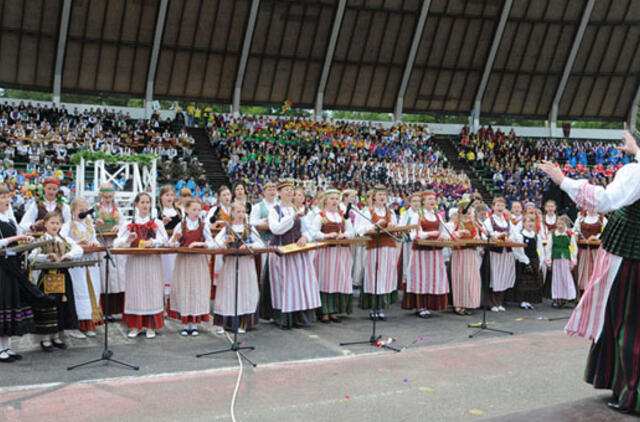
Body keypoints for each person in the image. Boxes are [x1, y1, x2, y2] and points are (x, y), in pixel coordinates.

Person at [539, 133, 640, 413]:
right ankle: (623, 384)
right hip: (630, 251)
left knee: (627, 321)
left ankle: (633, 392)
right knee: (624, 319)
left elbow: (606, 199)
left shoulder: (635, 172)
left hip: (632, 256)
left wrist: (563, 181)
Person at [114, 193, 168, 339]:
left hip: (152, 261)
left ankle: (150, 326)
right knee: (136, 291)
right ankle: (136, 326)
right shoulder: (128, 223)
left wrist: (153, 242)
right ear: (136, 204)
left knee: (152, 290)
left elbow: (165, 239)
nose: (145, 205)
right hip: (135, 261)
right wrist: (128, 239)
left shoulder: (157, 223)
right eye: (142, 202)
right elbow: (116, 243)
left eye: (147, 202)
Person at [268, 180, 320, 329]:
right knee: (283, 284)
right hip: (281, 250)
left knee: (298, 284)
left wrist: (305, 237)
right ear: (279, 193)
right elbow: (276, 229)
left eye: (291, 190)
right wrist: (292, 217)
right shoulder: (275, 210)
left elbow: (306, 229)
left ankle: (298, 316)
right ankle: (283, 318)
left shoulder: (295, 209)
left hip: (296, 251)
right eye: (286, 190)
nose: (289, 192)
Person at [28, 212, 82, 352]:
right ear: (45, 224)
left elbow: (79, 249)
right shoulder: (41, 240)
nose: (55, 226)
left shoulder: (64, 240)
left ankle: (57, 336)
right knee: (48, 307)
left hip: (62, 277)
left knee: (61, 305)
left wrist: (66, 255)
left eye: (57, 223)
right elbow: (32, 256)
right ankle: (46, 339)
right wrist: (46, 257)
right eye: (52, 223)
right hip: (47, 277)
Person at [213, 201, 264, 333]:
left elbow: (261, 244)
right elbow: (216, 244)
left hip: (246, 263)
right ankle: (225, 322)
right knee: (229, 291)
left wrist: (251, 246)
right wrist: (225, 242)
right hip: (231, 263)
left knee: (245, 291)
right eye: (238, 212)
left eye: (243, 212)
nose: (241, 215)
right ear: (232, 213)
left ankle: (243, 322)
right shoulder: (227, 229)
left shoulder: (250, 229)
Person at [168, 199, 215, 336]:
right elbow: (171, 245)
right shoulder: (180, 225)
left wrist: (201, 245)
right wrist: (175, 239)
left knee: (196, 289)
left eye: (199, 210)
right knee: (184, 289)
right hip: (184, 260)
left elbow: (212, 243)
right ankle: (184, 323)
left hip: (198, 261)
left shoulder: (203, 225)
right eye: (194, 210)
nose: (196, 212)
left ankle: (194, 323)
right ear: (187, 210)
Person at [0, 185, 36, 362]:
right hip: (1, 267)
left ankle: (6, 347)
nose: (6, 200)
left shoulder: (9, 217)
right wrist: (16, 239)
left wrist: (26, 237)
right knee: (2, 304)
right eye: (2, 197)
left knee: (9, 303)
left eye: (7, 197)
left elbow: (19, 234)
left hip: (11, 266)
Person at [355, 185, 399, 320]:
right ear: (373, 197)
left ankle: (381, 307)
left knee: (386, 277)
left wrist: (394, 227)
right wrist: (374, 226)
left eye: (384, 195)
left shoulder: (390, 212)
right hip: (374, 247)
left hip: (389, 247)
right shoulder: (367, 211)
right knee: (375, 276)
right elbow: (360, 229)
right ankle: (374, 307)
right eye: (379, 195)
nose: (382, 197)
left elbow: (397, 229)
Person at [61, 198, 103, 338]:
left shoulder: (89, 225)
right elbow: (61, 240)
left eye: (85, 210)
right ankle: (76, 325)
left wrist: (94, 242)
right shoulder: (68, 225)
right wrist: (77, 243)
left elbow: (94, 237)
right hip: (76, 264)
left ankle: (89, 323)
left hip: (89, 262)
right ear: (73, 211)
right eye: (80, 210)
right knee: (79, 290)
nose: (83, 213)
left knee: (91, 289)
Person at [311, 189, 355, 323]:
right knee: (325, 280)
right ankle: (324, 311)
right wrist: (326, 235)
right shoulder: (320, 216)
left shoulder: (343, 216)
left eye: (336, 199)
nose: (334, 201)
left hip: (341, 253)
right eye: (331, 199)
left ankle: (334, 310)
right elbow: (313, 233)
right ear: (325, 201)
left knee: (339, 279)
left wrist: (345, 235)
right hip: (326, 253)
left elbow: (351, 231)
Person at [404, 190, 450, 318]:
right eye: (429, 199)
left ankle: (430, 304)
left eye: (433, 199)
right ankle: (420, 306)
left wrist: (442, 236)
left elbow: (444, 231)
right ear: (423, 201)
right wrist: (429, 234)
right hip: (421, 251)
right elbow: (413, 234)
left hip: (435, 251)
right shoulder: (417, 215)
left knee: (432, 277)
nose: (432, 202)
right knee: (420, 277)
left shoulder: (438, 216)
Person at [93, 183, 125, 319]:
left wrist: (119, 226)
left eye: (110, 196)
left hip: (114, 243)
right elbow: (89, 225)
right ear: (101, 196)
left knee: (117, 276)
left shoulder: (117, 209)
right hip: (101, 243)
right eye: (105, 196)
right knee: (104, 275)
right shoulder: (95, 209)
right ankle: (105, 310)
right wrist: (96, 226)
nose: (107, 199)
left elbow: (125, 223)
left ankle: (117, 309)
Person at [249, 181, 278, 320]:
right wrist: (264, 221)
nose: (272, 191)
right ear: (264, 192)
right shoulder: (258, 206)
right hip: (264, 242)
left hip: (277, 243)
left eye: (274, 189)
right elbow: (251, 223)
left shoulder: (279, 206)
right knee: (263, 275)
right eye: (269, 189)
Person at [450, 199, 482, 316]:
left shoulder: (474, 223)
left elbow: (477, 235)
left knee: (470, 278)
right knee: (460, 278)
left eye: (470, 210)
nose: (469, 212)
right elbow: (451, 235)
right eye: (467, 209)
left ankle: (468, 303)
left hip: (471, 252)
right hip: (460, 253)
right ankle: (458, 304)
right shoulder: (456, 222)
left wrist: (477, 238)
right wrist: (460, 233)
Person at [487, 197, 517, 312]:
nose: (500, 208)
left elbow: (515, 234)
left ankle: (499, 301)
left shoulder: (507, 221)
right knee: (495, 277)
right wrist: (499, 236)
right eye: (498, 206)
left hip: (506, 252)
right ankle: (491, 302)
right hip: (495, 252)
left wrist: (511, 238)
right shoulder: (489, 220)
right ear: (493, 207)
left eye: (502, 206)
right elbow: (488, 234)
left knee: (503, 276)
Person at [509, 215, 544, 309]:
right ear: (523, 224)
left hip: (534, 259)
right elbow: (518, 250)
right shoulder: (520, 235)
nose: (530, 224)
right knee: (523, 282)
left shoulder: (536, 236)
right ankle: (522, 300)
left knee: (532, 282)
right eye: (528, 222)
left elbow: (539, 249)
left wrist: (540, 260)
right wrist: (525, 261)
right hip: (523, 261)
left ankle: (529, 300)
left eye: (532, 222)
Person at [544, 215, 577, 308]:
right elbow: (548, 248)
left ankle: (569, 297)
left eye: (562, 224)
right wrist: (548, 261)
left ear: (566, 224)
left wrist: (573, 260)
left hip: (565, 259)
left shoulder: (569, 235)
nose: (560, 226)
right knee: (556, 279)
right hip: (556, 259)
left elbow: (573, 248)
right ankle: (557, 298)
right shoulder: (552, 235)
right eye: (558, 223)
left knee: (566, 278)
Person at [573, 210, 607, 295]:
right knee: (582, 272)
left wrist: (596, 237)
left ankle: (595, 293)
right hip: (583, 250)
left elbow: (606, 232)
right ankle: (582, 294)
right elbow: (575, 231)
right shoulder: (581, 218)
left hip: (596, 251)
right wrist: (576, 236)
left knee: (596, 271)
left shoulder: (602, 219)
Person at [157, 185, 182, 298]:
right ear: (161, 197)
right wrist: (163, 224)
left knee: (174, 269)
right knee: (163, 269)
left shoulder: (179, 211)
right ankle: (162, 299)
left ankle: (173, 299)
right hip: (162, 243)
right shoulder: (157, 211)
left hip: (175, 243)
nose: (169, 197)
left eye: (172, 195)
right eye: (167, 195)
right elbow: (152, 228)